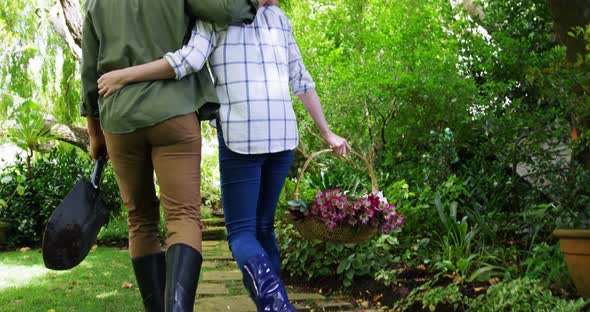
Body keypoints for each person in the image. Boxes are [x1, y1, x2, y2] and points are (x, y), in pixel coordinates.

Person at [96, 1, 351, 311]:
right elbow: (302, 80)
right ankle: (275, 304)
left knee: (242, 234)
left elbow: (187, 61)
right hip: (282, 135)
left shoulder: (216, 17)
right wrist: (327, 132)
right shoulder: (278, 19)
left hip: (243, 136)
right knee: (263, 228)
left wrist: (125, 76)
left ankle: (275, 306)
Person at [80, 0, 258, 311]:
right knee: (183, 217)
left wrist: (95, 133)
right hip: (174, 112)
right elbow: (228, 10)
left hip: (119, 119)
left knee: (140, 221)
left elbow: (89, 70)